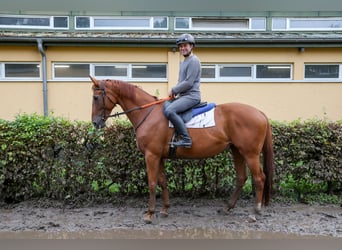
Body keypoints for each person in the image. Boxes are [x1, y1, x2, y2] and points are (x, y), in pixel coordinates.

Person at [163, 33, 201, 148]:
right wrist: (175, 93)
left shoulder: (194, 61)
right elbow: (181, 82)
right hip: (183, 96)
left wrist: (173, 89)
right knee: (165, 105)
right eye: (180, 46)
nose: (182, 48)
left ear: (191, 46)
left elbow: (189, 83)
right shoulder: (184, 62)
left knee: (170, 111)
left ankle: (186, 139)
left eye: (185, 45)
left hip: (191, 96)